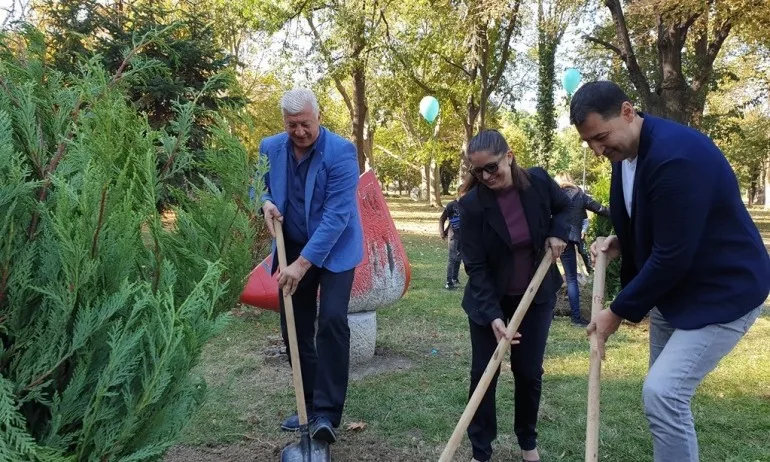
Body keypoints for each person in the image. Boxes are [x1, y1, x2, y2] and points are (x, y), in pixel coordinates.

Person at [570, 81, 770, 462]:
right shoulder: (626, 153)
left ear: (628, 112)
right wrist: (621, 241)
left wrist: (616, 312)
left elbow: (673, 254)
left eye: (601, 137)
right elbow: (655, 220)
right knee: (664, 401)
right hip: (675, 291)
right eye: (589, 143)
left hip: (723, 291)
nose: (597, 150)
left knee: (663, 393)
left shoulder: (677, 156)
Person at [258, 88, 363, 444]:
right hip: (293, 247)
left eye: (305, 123)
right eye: (291, 125)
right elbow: (259, 185)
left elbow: (336, 217)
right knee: (294, 326)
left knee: (332, 320)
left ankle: (328, 414)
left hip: (334, 249)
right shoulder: (270, 147)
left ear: (318, 117)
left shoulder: (342, 152)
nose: (299, 131)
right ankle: (310, 405)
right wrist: (266, 202)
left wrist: (303, 265)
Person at [458, 129, 570, 462]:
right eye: (478, 171)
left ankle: (527, 443)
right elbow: (475, 267)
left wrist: (557, 233)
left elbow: (564, 209)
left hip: (535, 296)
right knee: (484, 372)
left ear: (509, 156)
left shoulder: (536, 182)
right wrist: (493, 315)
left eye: (491, 167)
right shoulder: (472, 205)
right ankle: (481, 450)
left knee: (528, 371)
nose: (486, 176)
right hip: (488, 299)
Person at [553, 173, 609, 326]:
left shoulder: (554, 194)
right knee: (571, 278)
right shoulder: (579, 194)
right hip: (569, 240)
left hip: (552, 238)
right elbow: (599, 209)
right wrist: (619, 214)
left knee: (549, 276)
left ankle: (549, 313)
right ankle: (576, 318)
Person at [439, 191, 464, 290]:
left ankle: (454, 278)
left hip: (463, 235)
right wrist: (442, 231)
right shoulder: (451, 205)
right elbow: (442, 218)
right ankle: (448, 282)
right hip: (453, 235)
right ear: (460, 193)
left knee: (459, 258)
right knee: (452, 258)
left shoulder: (468, 205)